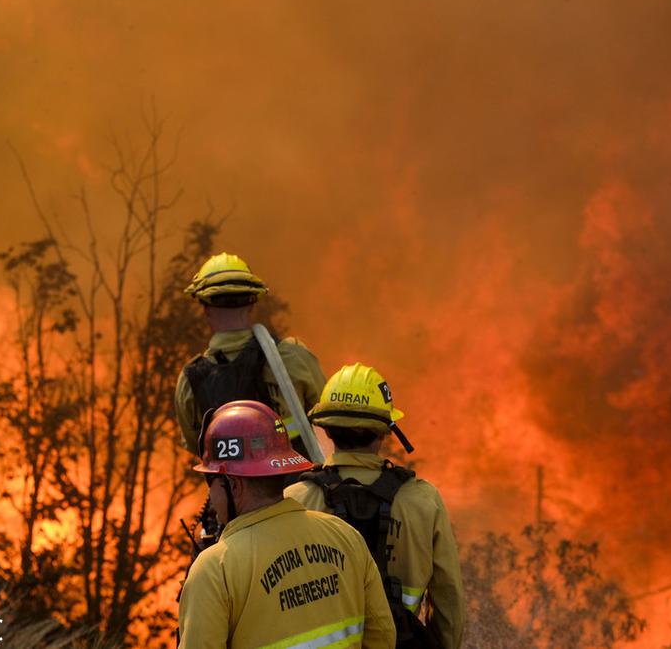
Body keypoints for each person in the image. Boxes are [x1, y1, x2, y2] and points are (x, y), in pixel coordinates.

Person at [177, 400, 396, 649]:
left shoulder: (215, 570)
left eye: (211, 482)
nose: (211, 499)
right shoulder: (345, 536)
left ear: (233, 484)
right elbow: (382, 636)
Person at [285, 363, 466, 649]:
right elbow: (448, 598)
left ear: (327, 430)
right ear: (384, 431)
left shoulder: (294, 501)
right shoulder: (423, 501)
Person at [174, 252, 325, 458]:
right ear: (252, 303)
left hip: (228, 479)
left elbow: (197, 446)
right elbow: (327, 417)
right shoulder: (291, 357)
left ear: (206, 308)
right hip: (295, 477)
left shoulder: (190, 380)